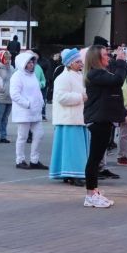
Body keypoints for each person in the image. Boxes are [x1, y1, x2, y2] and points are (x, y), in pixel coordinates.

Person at [82, 44, 127, 207]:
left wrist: (118, 61)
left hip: (104, 119)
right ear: (96, 58)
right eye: (105, 55)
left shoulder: (101, 73)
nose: (108, 57)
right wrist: (121, 61)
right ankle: (90, 194)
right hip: (99, 120)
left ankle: (93, 191)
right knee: (94, 158)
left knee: (97, 157)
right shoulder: (95, 74)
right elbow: (118, 80)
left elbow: (114, 77)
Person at [49, 48, 89, 187]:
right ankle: (73, 174)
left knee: (72, 148)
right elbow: (61, 97)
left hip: (77, 117)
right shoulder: (63, 77)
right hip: (69, 118)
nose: (80, 64)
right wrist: (80, 97)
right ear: (70, 63)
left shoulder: (79, 75)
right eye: (77, 62)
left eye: (80, 61)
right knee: (73, 149)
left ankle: (70, 173)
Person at [10, 51, 47, 168]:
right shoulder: (17, 76)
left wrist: (41, 102)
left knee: (39, 134)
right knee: (23, 136)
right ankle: (19, 160)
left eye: (33, 62)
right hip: (24, 112)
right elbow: (14, 94)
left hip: (35, 111)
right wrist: (27, 104)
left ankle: (34, 160)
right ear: (23, 63)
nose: (32, 64)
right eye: (29, 62)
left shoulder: (33, 75)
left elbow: (37, 91)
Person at [0, 51, 14, 143]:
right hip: (0, 96)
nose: (8, 60)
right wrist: (0, 90)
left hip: (10, 96)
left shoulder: (11, 68)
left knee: (5, 118)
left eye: (9, 58)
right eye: (6, 58)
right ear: (1, 58)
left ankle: (3, 136)